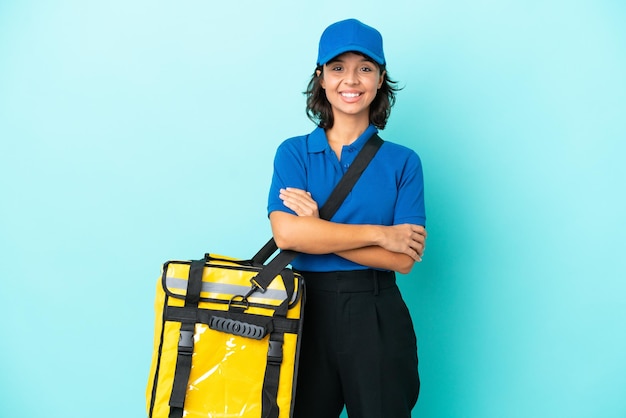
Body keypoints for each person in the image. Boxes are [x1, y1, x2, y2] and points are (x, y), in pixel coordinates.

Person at [267, 18, 427, 418]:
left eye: (365, 68)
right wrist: (380, 235)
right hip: (301, 311)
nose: (350, 80)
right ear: (321, 78)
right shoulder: (294, 153)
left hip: (376, 313)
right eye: (337, 68)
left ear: (380, 78)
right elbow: (287, 234)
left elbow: (403, 259)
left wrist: (317, 230)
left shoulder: (403, 162)